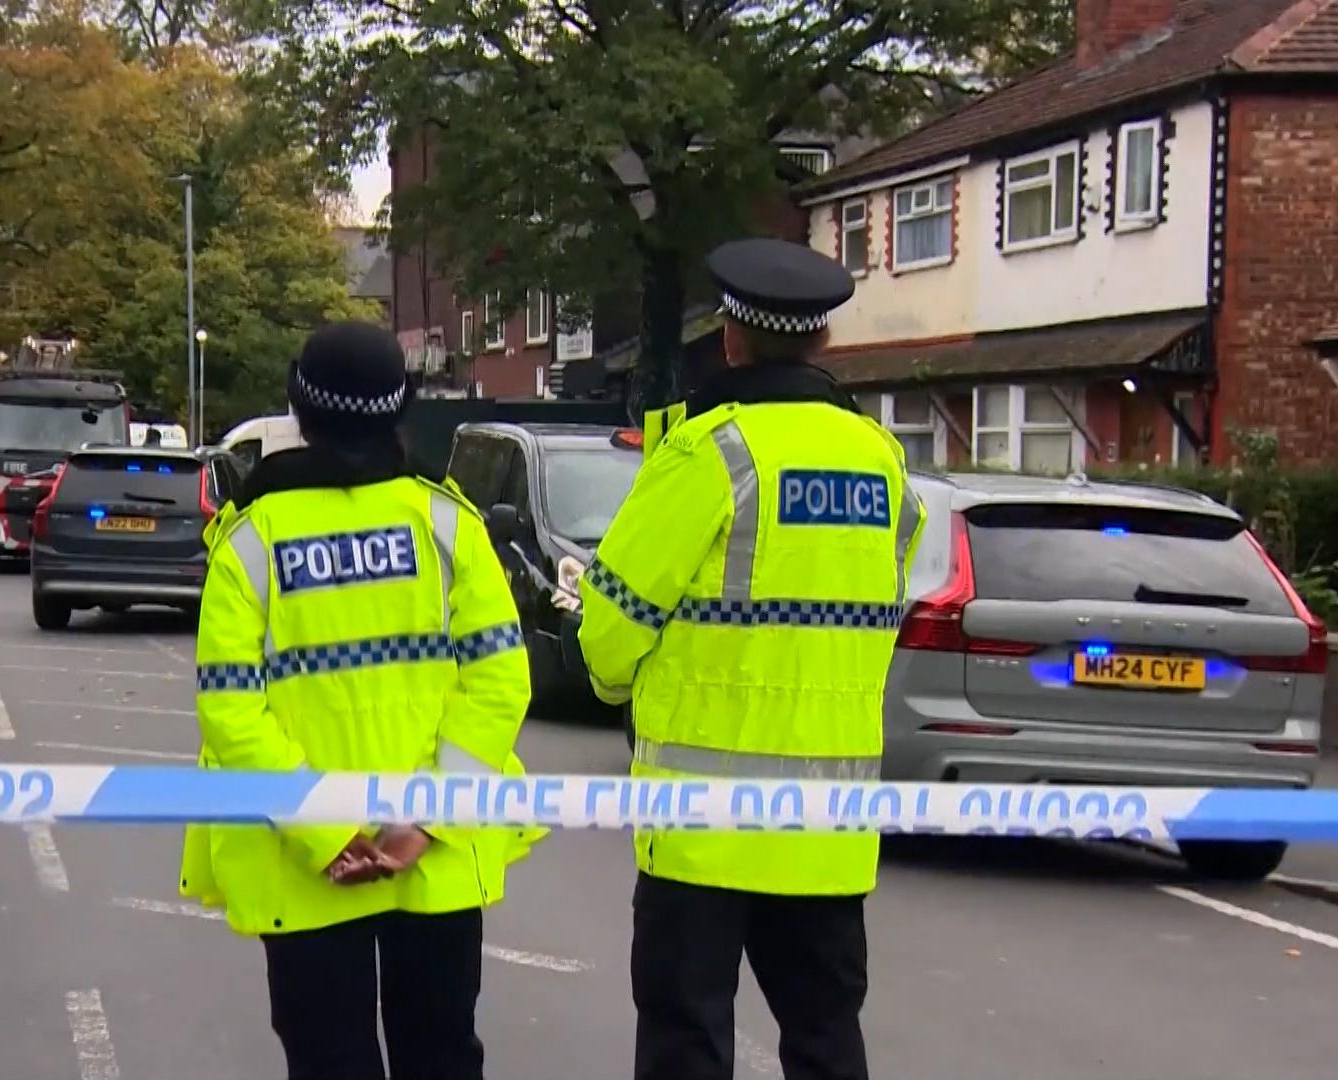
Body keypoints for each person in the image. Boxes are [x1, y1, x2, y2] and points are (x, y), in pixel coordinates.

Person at [578, 238, 925, 1080]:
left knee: (687, 1041)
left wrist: (616, 683)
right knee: (826, 1039)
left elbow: (612, 623)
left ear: (731, 340)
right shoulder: (878, 458)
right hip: (828, 828)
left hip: (702, 832)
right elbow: (886, 600)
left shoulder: (709, 453)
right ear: (824, 340)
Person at [179, 321, 537, 1080]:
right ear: (400, 410)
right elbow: (500, 681)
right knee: (441, 1055)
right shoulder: (447, 524)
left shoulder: (250, 538)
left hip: (307, 868)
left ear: (299, 411)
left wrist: (328, 830)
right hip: (431, 856)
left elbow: (231, 710)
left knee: (327, 1061)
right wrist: (422, 820)